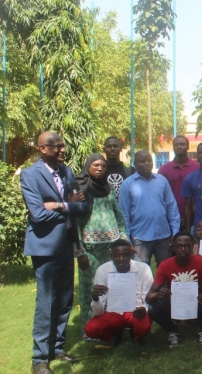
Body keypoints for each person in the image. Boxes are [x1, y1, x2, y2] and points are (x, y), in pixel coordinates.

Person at [20, 132, 89, 374]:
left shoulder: (66, 172)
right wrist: (68, 208)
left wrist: (59, 205)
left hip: (65, 246)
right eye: (56, 146)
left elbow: (81, 206)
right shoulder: (30, 175)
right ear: (42, 148)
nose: (62, 150)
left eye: (63, 145)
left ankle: (58, 348)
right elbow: (38, 215)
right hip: (45, 248)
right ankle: (39, 359)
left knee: (64, 299)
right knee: (46, 301)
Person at [75, 154, 128, 339]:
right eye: (96, 165)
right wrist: (79, 252)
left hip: (112, 249)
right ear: (88, 166)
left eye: (103, 166)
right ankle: (87, 329)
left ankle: (109, 326)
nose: (100, 168)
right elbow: (75, 225)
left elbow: (118, 214)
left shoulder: (108, 188)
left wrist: (123, 236)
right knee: (90, 288)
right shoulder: (80, 190)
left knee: (110, 287)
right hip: (89, 250)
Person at [146, 232, 202, 347]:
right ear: (173, 247)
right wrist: (157, 295)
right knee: (152, 309)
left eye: (187, 245)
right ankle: (172, 330)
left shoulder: (201, 261)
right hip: (176, 303)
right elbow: (149, 297)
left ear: (193, 246)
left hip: (198, 302)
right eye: (179, 246)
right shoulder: (165, 265)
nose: (183, 249)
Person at [84, 239, 153, 346]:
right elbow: (98, 313)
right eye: (117, 255)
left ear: (131, 255)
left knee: (144, 326)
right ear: (111, 256)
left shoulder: (143, 269)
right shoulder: (103, 270)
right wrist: (95, 298)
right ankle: (113, 333)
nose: (121, 259)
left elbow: (148, 297)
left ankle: (135, 333)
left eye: (125, 255)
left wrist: (145, 308)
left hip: (135, 312)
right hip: (113, 312)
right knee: (90, 329)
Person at [118, 150, 180, 267]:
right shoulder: (127, 184)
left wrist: (175, 232)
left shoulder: (162, 180)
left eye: (149, 161)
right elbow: (124, 214)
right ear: (135, 163)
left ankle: (165, 287)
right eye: (142, 161)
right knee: (140, 273)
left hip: (164, 235)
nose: (147, 163)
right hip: (140, 237)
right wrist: (126, 239)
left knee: (166, 270)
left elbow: (171, 206)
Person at [158, 135, 200, 230]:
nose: (179, 146)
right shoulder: (164, 170)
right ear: (173, 147)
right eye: (176, 144)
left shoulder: (197, 168)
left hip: (195, 219)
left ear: (188, 146)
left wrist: (188, 217)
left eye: (182, 144)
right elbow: (160, 196)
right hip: (169, 220)